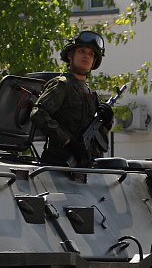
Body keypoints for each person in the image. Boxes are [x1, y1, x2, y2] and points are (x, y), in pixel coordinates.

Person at [30, 31, 114, 166]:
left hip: (83, 166)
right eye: (81, 51)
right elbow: (38, 114)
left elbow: (99, 145)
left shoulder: (91, 95)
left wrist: (106, 124)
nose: (86, 56)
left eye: (91, 54)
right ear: (70, 55)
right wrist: (68, 142)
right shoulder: (62, 84)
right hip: (57, 164)